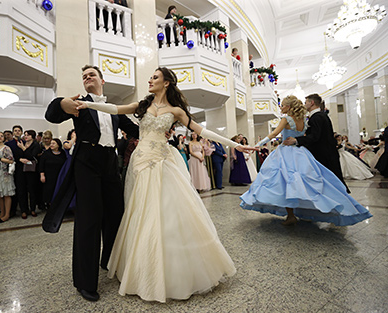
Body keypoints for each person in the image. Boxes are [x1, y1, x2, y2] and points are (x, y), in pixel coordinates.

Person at [73, 67, 257, 303]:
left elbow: (202, 130)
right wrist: (88, 105)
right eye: (150, 77)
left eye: (155, 77)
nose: (150, 80)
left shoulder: (176, 111)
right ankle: (141, 265)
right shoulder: (143, 105)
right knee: (139, 213)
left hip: (162, 162)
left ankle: (170, 269)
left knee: (165, 213)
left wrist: (234, 144)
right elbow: (116, 110)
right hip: (140, 164)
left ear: (167, 83)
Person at [44, 65, 140, 302]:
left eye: (91, 75)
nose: (87, 78)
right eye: (84, 76)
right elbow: (53, 113)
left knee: (115, 215)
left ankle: (110, 261)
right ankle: (85, 282)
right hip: (86, 162)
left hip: (110, 163)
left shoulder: (114, 108)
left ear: (102, 80)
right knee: (89, 219)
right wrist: (61, 103)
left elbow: (136, 130)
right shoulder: (79, 103)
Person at [241, 96, 372, 226]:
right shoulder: (303, 119)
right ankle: (309, 211)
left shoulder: (286, 119)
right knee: (305, 183)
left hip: (286, 152)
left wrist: (258, 144)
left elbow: (274, 134)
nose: (281, 107)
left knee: (284, 182)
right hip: (301, 153)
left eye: (283, 105)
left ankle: (291, 215)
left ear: (289, 107)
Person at [283, 93, 348, 192]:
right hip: (328, 153)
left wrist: (297, 140)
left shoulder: (317, 117)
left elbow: (315, 136)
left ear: (312, 103)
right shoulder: (321, 115)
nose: (304, 105)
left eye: (306, 102)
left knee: (331, 182)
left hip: (323, 155)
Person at [17, 130, 41, 219]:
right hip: (21, 169)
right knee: (21, 190)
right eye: (25, 135)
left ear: (32, 136)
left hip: (31, 170)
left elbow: (32, 156)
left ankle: (33, 209)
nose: (26, 136)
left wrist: (23, 148)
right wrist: (20, 159)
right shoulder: (20, 143)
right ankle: (24, 210)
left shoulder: (36, 145)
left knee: (32, 190)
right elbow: (16, 155)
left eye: (28, 135)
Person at [39, 138, 66, 210]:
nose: (51, 145)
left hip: (59, 176)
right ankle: (50, 206)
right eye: (51, 143)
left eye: (53, 143)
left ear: (58, 145)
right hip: (48, 176)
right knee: (49, 191)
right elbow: (41, 165)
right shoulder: (46, 154)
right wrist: (42, 175)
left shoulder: (62, 153)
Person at [5, 125, 24, 217]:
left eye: (19, 130)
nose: (17, 132)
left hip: (22, 168)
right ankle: (12, 210)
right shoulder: (8, 144)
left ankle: (23, 210)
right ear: (13, 133)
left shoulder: (25, 142)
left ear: (21, 132)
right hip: (11, 168)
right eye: (15, 131)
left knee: (21, 189)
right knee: (12, 190)